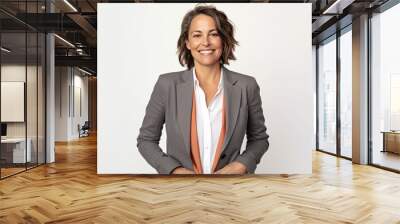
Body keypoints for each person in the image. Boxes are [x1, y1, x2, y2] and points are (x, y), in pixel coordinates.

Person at [137, 5, 269, 174]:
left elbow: (259, 139)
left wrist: (239, 166)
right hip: (180, 190)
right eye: (197, 35)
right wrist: (175, 171)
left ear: (224, 39)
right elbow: (146, 140)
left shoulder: (246, 86)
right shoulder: (167, 84)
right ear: (188, 43)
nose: (205, 42)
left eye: (213, 34)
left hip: (230, 190)